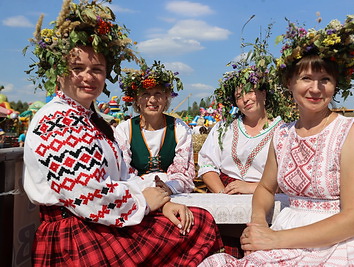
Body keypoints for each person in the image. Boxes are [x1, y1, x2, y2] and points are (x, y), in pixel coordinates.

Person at [23, 1, 222, 266]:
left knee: (196, 220)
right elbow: (87, 194)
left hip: (98, 220)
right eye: (77, 68)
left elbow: (122, 176)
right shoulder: (58, 119)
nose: (88, 77)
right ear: (59, 73)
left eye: (96, 70)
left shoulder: (93, 120)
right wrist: (144, 202)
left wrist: (161, 201)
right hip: (76, 233)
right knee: (200, 226)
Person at [200, 11, 354, 266]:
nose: (315, 88)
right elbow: (266, 188)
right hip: (285, 230)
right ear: (289, 82)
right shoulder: (282, 134)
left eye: (325, 79)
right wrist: (258, 221)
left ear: (336, 85)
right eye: (306, 78)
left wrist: (273, 240)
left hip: (341, 240)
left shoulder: (351, 131)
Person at [198, 64, 284, 195]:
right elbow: (207, 165)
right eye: (238, 96)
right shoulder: (224, 128)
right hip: (224, 196)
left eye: (250, 91)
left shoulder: (283, 131)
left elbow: (289, 177)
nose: (245, 99)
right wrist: (223, 194)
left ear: (263, 93)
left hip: (267, 196)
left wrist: (251, 188)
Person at [115, 61, 195, 195]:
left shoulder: (180, 128)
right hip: (136, 193)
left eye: (158, 94)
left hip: (172, 192)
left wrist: (169, 187)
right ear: (136, 100)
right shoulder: (124, 130)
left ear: (165, 98)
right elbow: (122, 171)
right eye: (145, 94)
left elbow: (183, 172)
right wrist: (146, 188)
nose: (152, 100)